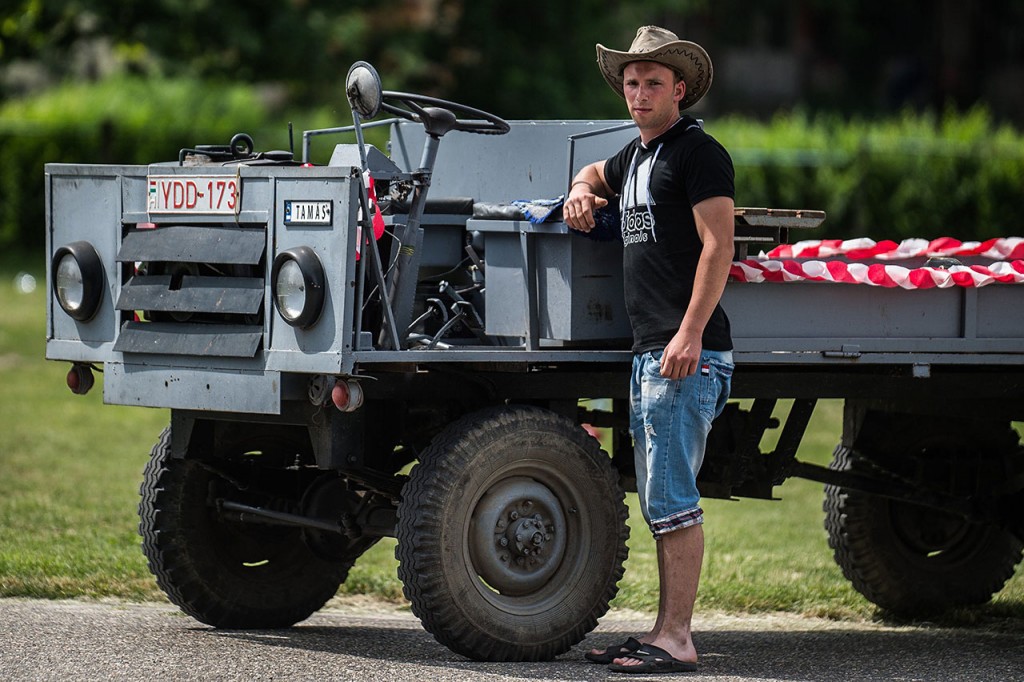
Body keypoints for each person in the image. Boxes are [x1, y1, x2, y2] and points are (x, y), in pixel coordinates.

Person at [563, 25, 735, 675]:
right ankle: (663, 632)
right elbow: (591, 173)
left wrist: (690, 333)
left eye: (653, 83)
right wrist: (583, 191)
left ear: (679, 90)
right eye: (631, 83)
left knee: (671, 498)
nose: (639, 93)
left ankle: (678, 640)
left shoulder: (700, 154)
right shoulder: (635, 159)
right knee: (660, 497)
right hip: (650, 351)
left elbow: (719, 246)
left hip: (684, 351)